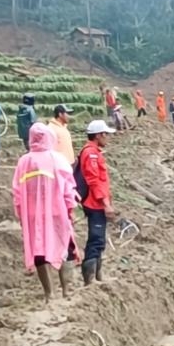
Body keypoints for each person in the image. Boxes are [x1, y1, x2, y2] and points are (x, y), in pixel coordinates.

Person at [13, 123, 80, 303]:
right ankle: (66, 290)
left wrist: (20, 214)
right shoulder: (57, 159)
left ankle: (49, 293)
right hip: (56, 212)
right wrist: (70, 209)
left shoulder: (24, 162)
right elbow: (68, 189)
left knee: (39, 250)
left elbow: (17, 192)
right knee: (65, 245)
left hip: (32, 214)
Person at [78, 120, 118, 285]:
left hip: (98, 202)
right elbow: (94, 181)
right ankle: (90, 278)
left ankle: (98, 275)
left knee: (99, 239)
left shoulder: (94, 152)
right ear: (98, 135)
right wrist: (106, 203)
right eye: (105, 134)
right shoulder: (91, 154)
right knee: (95, 238)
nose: (107, 137)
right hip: (94, 203)